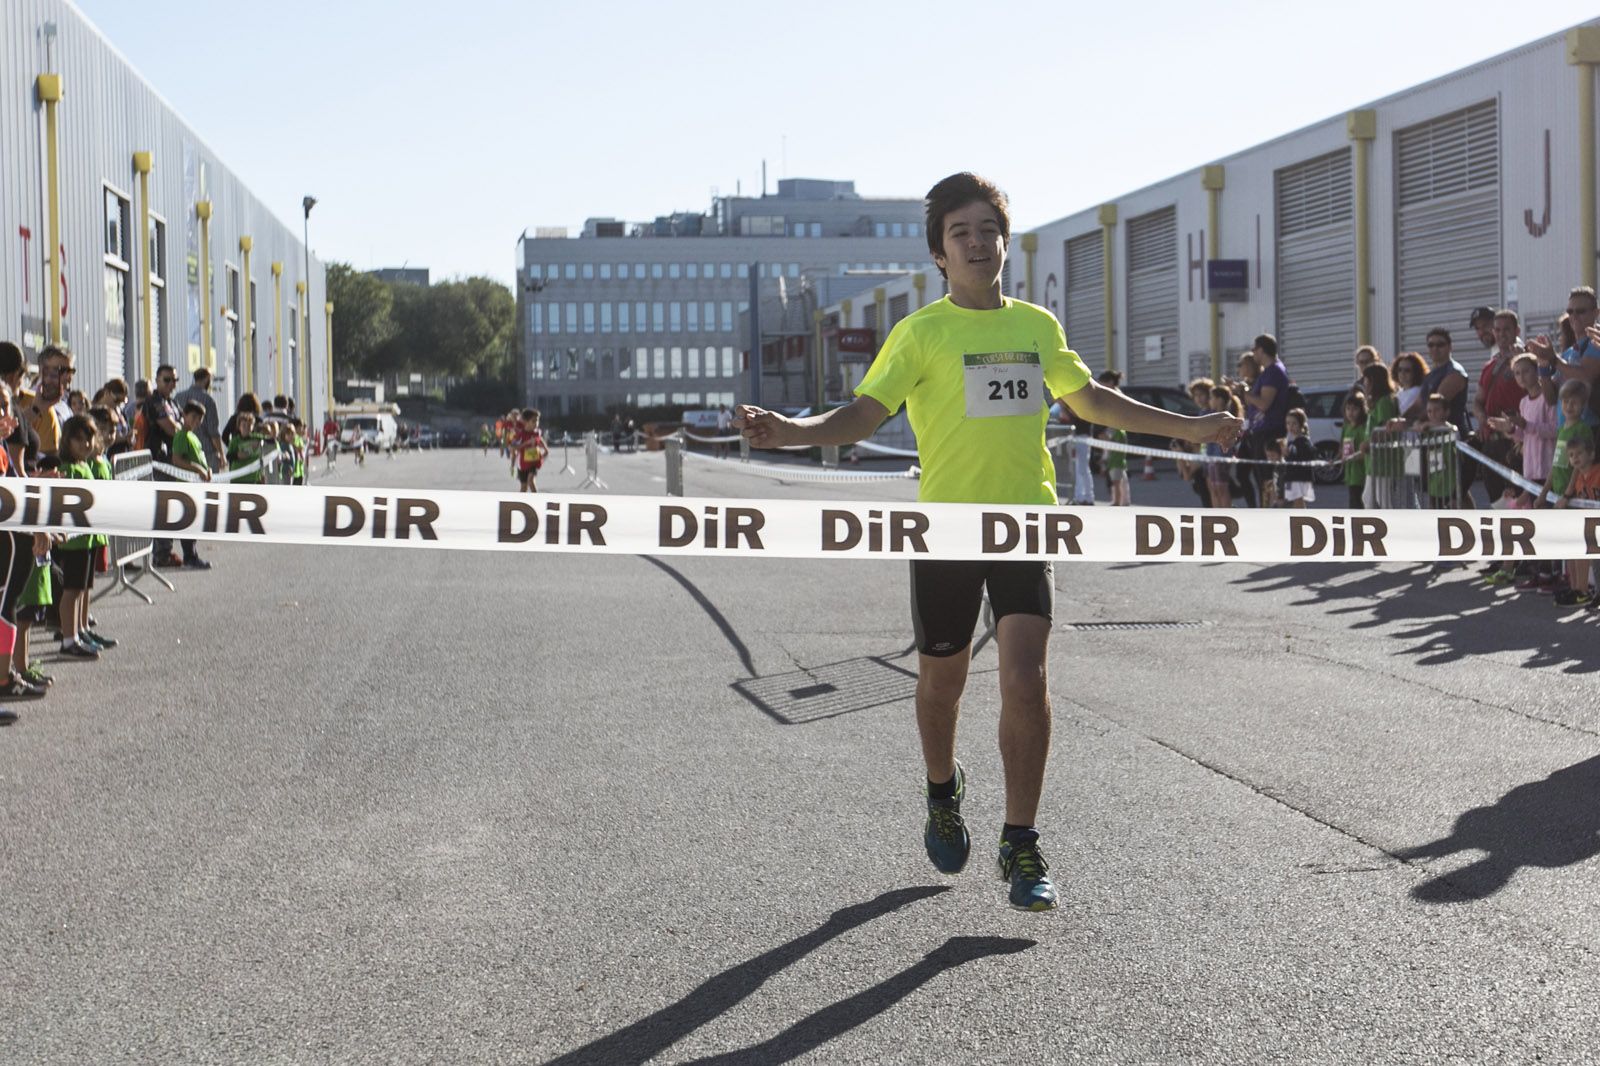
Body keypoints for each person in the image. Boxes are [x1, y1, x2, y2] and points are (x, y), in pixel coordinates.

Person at [734, 172, 1241, 912]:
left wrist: (1190, 429)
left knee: (1026, 679)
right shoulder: (921, 332)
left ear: (1006, 243)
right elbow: (865, 413)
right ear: (940, 253)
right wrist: (793, 433)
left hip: (1023, 525)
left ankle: (1021, 841)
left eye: (988, 231)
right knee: (943, 681)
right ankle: (943, 788)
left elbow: (1091, 400)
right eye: (960, 233)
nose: (976, 243)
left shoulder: (1036, 327)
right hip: (945, 531)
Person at [54, 416, 113, 658]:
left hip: (86, 539)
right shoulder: (67, 469)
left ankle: (79, 631)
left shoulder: (84, 465)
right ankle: (68, 640)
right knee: (71, 590)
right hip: (73, 542)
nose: (86, 444)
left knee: (81, 588)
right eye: (79, 439)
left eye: (89, 438)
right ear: (67, 441)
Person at [1471, 309, 1526, 508]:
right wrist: (1482, 418)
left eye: (1507, 329)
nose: (1501, 334)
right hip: (1491, 444)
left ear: (1517, 330)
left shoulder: (1526, 360)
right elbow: (1477, 400)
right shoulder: (1489, 365)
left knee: (1519, 503)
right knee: (1497, 503)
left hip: (1514, 444)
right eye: (1497, 329)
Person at [1420, 327, 1473, 503]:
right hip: (1436, 442)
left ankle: (1467, 525)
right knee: (1444, 490)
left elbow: (1435, 404)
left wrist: (1415, 423)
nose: (1435, 348)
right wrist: (1399, 420)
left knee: (1456, 490)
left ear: (1450, 347)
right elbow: (1418, 405)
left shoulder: (1454, 371)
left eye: (1440, 344)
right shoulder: (1430, 375)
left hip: (1453, 439)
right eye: (1431, 345)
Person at [1554, 434, 1600, 608]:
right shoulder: (1579, 480)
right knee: (1595, 562)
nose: (1575, 458)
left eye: (1579, 453)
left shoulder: (1598, 472)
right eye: (1571, 455)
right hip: (1591, 526)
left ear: (1591, 454)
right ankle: (1592, 593)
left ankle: (1582, 590)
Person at [167, 401, 213, 569]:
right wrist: (197, 469)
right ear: (185, 415)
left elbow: (199, 457)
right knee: (189, 522)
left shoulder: (193, 436)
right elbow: (177, 459)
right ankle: (190, 556)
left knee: (194, 522)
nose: (196, 421)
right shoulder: (182, 436)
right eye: (193, 417)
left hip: (196, 486)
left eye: (200, 418)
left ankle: (192, 555)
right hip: (186, 486)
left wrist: (206, 470)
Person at [1359, 362, 1400, 508]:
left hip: (1384, 463)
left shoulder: (1385, 402)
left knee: (1384, 500)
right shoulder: (1374, 404)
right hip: (1373, 463)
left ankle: (1391, 528)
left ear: (1372, 380)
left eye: (1365, 379)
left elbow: (1386, 429)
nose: (1364, 383)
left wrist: (1369, 443)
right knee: (1367, 498)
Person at [175, 367, 225, 472]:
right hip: (206, 451)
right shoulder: (208, 400)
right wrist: (221, 454)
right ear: (207, 379)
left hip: (183, 451)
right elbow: (213, 431)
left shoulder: (178, 396)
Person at [1282, 409, 1316, 508]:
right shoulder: (1292, 441)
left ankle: (1301, 520)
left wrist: (1289, 454)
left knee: (1298, 501)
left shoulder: (1303, 441)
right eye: (1288, 423)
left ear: (1301, 425)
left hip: (1299, 477)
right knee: (1296, 502)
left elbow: (1306, 456)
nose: (1290, 427)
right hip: (1292, 477)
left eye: (1294, 423)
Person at [1340, 392, 1369, 508]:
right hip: (1350, 476)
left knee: (1358, 505)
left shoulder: (1362, 428)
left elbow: (1364, 452)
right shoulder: (1347, 427)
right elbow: (1344, 448)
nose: (1350, 412)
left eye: (1355, 409)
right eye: (1348, 409)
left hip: (1360, 475)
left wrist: (1351, 457)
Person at [516, 408, 549, 493]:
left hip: (534, 462)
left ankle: (537, 501)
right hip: (523, 463)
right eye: (533, 421)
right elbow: (515, 447)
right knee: (524, 487)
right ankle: (521, 503)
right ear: (526, 422)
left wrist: (545, 450)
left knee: (531, 481)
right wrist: (527, 443)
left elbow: (540, 439)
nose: (536, 423)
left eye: (537, 421)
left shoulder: (537, 432)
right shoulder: (520, 434)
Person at [1392, 352, 1427, 422]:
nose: (1402, 373)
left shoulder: (1418, 391)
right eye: (1399, 370)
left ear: (1416, 372)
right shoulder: (1398, 392)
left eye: (1407, 370)